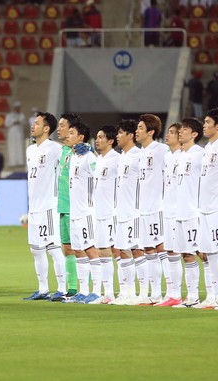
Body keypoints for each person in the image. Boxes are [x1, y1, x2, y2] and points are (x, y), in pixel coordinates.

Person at [23, 112, 68, 301]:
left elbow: (70, 157)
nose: (33, 126)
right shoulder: (30, 150)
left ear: (47, 128)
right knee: (36, 249)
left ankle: (63, 289)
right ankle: (42, 289)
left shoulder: (55, 149)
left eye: (37, 123)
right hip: (33, 208)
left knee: (53, 247)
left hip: (49, 206)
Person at [194, 108, 218, 310]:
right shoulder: (207, 148)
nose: (204, 125)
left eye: (208, 122)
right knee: (208, 253)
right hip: (205, 209)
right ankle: (214, 296)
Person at [65, 122, 102, 304]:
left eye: (71, 133)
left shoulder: (89, 157)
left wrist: (93, 152)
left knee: (91, 250)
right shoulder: (73, 157)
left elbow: (100, 177)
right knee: (78, 250)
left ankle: (96, 291)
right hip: (75, 212)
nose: (67, 136)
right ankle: (84, 291)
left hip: (87, 211)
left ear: (81, 137)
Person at [134, 114, 169, 306]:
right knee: (148, 250)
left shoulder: (161, 150)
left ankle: (171, 292)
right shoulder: (139, 153)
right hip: (143, 209)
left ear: (151, 132)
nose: (137, 131)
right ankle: (155, 295)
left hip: (158, 208)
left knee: (161, 248)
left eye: (140, 128)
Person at [109, 120, 144, 305]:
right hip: (120, 212)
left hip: (134, 211)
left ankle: (144, 293)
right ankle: (126, 292)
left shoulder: (139, 156)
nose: (117, 136)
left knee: (137, 251)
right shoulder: (120, 156)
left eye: (121, 132)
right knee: (122, 252)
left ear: (130, 136)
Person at [171, 118, 204, 308]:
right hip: (180, 212)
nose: (180, 132)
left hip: (194, 212)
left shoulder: (201, 154)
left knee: (203, 253)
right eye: (180, 129)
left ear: (194, 134)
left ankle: (217, 295)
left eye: (185, 129)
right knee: (186, 255)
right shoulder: (180, 155)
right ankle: (192, 297)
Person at [156, 123, 183, 306]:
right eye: (169, 132)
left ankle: (192, 293)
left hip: (182, 210)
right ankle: (172, 294)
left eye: (173, 133)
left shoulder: (185, 157)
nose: (168, 135)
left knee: (188, 253)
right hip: (167, 209)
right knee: (170, 252)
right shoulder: (167, 157)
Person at [55, 113, 80, 299]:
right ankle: (71, 288)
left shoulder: (81, 153)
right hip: (63, 206)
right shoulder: (61, 151)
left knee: (83, 248)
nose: (59, 129)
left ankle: (88, 289)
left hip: (77, 208)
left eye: (62, 126)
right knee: (67, 248)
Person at [92, 125, 119, 303]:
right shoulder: (99, 160)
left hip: (113, 212)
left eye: (101, 137)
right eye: (97, 136)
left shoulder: (117, 159)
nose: (97, 139)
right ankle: (108, 292)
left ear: (110, 141)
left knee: (118, 251)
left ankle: (127, 291)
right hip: (99, 212)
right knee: (102, 252)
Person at [5, 102, 25, 167]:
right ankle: (12, 162)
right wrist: (13, 122)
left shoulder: (22, 115)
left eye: (18, 108)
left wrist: (19, 121)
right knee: (12, 147)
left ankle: (20, 162)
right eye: (16, 108)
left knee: (19, 147)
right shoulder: (9, 115)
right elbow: (6, 124)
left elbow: (23, 122)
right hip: (12, 133)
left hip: (19, 133)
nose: (17, 109)